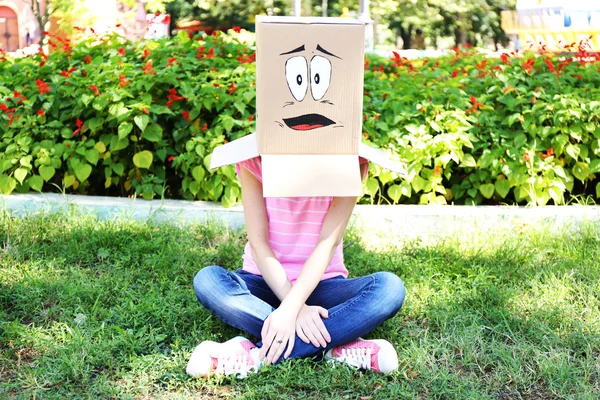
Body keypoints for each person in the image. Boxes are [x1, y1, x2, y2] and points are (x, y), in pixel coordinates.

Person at [186, 157, 407, 378]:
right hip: (264, 282)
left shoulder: (350, 162)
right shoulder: (254, 161)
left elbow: (327, 242)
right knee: (208, 280)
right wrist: (296, 310)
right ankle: (336, 346)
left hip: (321, 284)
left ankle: (255, 356)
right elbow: (258, 243)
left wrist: (293, 307)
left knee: (389, 289)